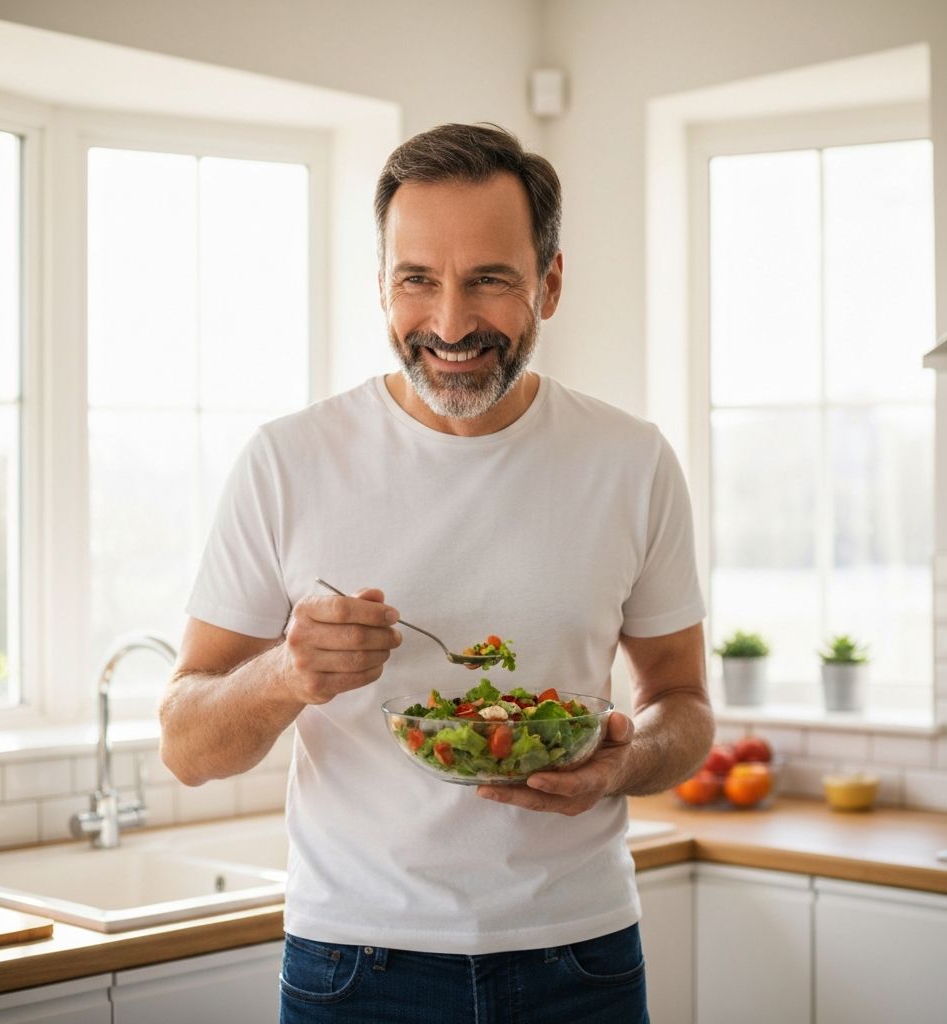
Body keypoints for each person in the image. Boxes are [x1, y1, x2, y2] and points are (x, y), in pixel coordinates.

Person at [159, 122, 714, 1024]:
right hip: (355, 964)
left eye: (489, 279)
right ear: (382, 288)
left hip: (580, 955)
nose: (450, 324)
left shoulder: (632, 461)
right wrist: (285, 674)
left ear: (551, 284)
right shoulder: (287, 461)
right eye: (418, 280)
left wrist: (624, 763)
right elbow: (185, 746)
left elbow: (683, 703)